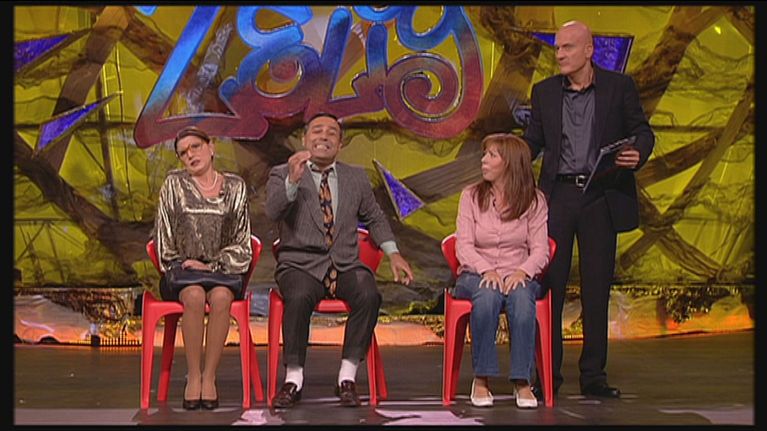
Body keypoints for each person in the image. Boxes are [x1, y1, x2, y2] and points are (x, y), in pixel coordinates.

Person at [522, 20, 655, 398]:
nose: (559, 54)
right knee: (550, 287)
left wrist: (638, 152)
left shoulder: (618, 87)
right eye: (557, 48)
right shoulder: (545, 92)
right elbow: (533, 141)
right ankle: (547, 376)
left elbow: (643, 131)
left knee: (596, 289)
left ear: (588, 50)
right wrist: (509, 159)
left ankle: (594, 376)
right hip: (557, 198)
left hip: (600, 195)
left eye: (567, 47)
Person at [264, 112, 414, 408]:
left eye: (331, 132)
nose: (324, 136)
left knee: (368, 294)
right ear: (305, 139)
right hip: (299, 264)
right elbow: (273, 211)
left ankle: (347, 377)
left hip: (345, 263)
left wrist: (393, 253)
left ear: (341, 144)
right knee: (298, 296)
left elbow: (375, 217)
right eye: (317, 131)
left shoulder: (355, 177)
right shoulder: (282, 172)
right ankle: (293, 379)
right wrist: (292, 182)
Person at [153, 126, 253, 410]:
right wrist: (186, 266)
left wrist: (212, 265)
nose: (190, 155)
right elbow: (163, 240)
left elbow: (242, 242)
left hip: (222, 272)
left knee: (221, 297)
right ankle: (193, 376)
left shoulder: (235, 187)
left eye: (195, 146)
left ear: (211, 147)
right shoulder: (173, 185)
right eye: (183, 152)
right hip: (184, 273)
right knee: (195, 295)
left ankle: (209, 377)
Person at [453, 133, 549, 409]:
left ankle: (522, 380)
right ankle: (481, 378)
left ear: (510, 163)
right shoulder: (471, 196)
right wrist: (486, 270)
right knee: (487, 294)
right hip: (475, 274)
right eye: (485, 154)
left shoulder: (534, 201)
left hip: (517, 273)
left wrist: (522, 272)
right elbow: (463, 246)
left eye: (491, 155)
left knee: (521, 297)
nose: (483, 160)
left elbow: (541, 250)